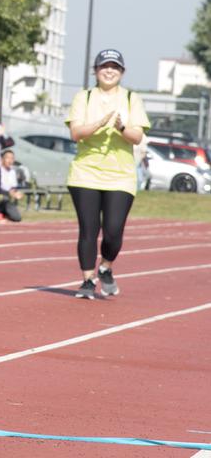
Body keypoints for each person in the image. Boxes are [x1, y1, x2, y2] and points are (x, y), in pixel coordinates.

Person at [66, 49, 150, 300]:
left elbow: (137, 136)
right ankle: (87, 280)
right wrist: (99, 124)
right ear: (96, 71)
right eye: (104, 67)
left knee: (113, 231)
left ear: (121, 72)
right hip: (86, 172)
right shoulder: (84, 97)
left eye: (114, 67)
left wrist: (121, 127)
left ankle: (106, 267)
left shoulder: (131, 98)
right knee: (89, 229)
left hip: (120, 174)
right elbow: (76, 133)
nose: (109, 71)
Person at [0, 149, 23, 222]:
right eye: (7, 158)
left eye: (12, 158)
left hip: (7, 199)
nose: (10, 160)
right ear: (2, 159)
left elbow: (13, 187)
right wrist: (8, 193)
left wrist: (16, 193)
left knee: (17, 218)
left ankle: (4, 213)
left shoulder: (12, 172)